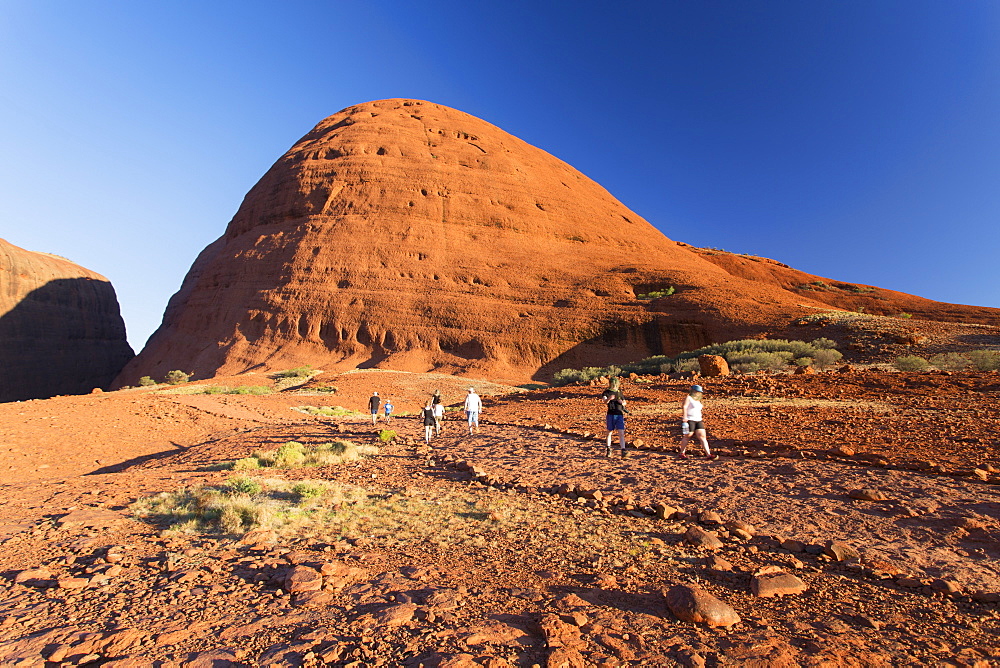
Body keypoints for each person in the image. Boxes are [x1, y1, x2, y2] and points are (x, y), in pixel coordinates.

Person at [679, 385, 717, 460]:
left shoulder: (698, 400)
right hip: (690, 419)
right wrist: (685, 417)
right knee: (688, 436)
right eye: (696, 391)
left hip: (698, 419)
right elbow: (685, 406)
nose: (697, 393)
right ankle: (682, 453)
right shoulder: (688, 398)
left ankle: (708, 454)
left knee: (702, 437)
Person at [602, 384, 628, 458]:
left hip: (619, 414)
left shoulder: (619, 392)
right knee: (609, 432)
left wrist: (622, 403)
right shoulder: (606, 392)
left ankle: (623, 450)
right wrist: (609, 399)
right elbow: (604, 401)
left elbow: (624, 402)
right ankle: (608, 449)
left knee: (621, 433)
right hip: (610, 414)